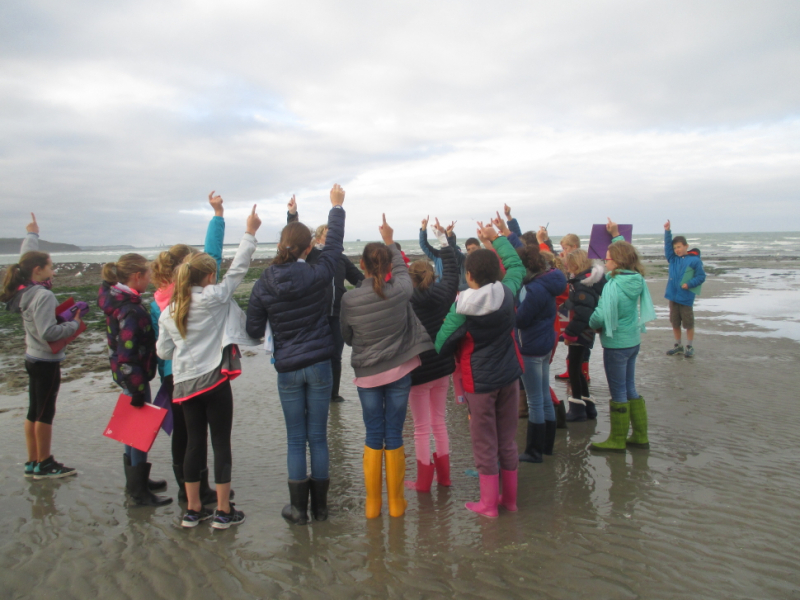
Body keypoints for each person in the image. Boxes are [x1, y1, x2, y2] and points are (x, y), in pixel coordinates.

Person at [246, 185, 346, 525]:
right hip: (319, 363)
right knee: (317, 437)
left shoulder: (264, 282)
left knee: (295, 439)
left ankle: (299, 510)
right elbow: (333, 249)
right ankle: (320, 509)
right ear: (307, 248)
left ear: (279, 246)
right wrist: (336, 208)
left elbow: (253, 329)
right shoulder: (317, 274)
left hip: (288, 367)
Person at [157, 204, 261, 529]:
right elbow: (239, 269)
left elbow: (163, 352)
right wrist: (250, 232)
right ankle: (223, 512)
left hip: (184, 385)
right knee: (220, 444)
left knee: (193, 445)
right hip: (215, 382)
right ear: (209, 275)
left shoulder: (169, 311)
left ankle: (192, 510)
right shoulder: (214, 297)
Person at [340, 214, 433, 519]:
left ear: (363, 266)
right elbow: (404, 271)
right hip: (400, 371)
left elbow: (347, 337)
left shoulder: (350, 299)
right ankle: (395, 505)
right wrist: (391, 241)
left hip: (367, 375)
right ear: (388, 267)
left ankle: (372, 505)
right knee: (393, 433)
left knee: (372, 433)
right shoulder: (400, 291)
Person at [435, 221, 525, 518]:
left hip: (480, 382)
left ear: (468, 275)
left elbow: (442, 343)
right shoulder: (507, 292)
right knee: (507, 439)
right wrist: (496, 237)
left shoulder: (460, 309)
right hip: (509, 376)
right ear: (497, 274)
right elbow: (517, 266)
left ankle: (488, 504)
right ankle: (509, 500)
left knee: (485, 442)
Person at [149, 192, 227, 505]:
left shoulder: (159, 298)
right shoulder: (191, 295)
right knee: (207, 436)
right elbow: (214, 256)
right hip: (203, 371)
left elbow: (160, 347)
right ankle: (201, 490)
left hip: (172, 374)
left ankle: (187, 490)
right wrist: (218, 216)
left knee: (184, 434)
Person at [1, 214, 79, 480]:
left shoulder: (24, 288)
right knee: (45, 412)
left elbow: (26, 258)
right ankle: (45, 464)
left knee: (33, 409)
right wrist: (74, 325)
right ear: (38, 270)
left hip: (31, 356)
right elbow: (49, 332)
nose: (54, 271)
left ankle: (32, 461)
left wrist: (32, 234)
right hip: (46, 360)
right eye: (50, 267)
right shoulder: (43, 295)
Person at [98, 253, 171, 506]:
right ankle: (138, 491)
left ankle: (136, 481)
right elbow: (126, 353)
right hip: (134, 378)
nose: (151, 279)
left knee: (131, 432)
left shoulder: (120, 301)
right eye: (148, 274)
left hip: (129, 376)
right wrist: (138, 388)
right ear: (137, 276)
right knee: (138, 433)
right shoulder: (129, 308)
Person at [287, 195, 364, 402]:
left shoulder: (340, 258)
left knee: (335, 356)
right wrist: (292, 215)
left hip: (337, 314)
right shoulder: (310, 256)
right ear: (319, 237)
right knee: (313, 354)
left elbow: (359, 279)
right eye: (328, 235)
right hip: (315, 313)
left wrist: (370, 292)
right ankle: (313, 391)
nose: (332, 239)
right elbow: (294, 242)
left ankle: (333, 394)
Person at [588, 221, 656, 452]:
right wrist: (615, 236)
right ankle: (640, 435)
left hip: (616, 345)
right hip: (632, 340)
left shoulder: (614, 285)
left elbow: (600, 315)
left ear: (616, 262)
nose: (605, 262)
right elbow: (624, 251)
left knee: (618, 391)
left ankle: (617, 439)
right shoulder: (635, 279)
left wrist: (590, 323)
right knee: (629, 388)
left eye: (607, 259)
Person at [405, 222, 459, 492]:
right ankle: (445, 477)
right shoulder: (444, 292)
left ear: (410, 278)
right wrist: (444, 239)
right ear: (430, 275)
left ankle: (424, 482)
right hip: (443, 367)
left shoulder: (406, 300)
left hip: (418, 370)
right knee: (439, 421)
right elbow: (451, 270)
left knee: (421, 427)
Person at [515, 244, 567, 463]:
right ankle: (546, 447)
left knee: (536, 399)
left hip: (531, 347)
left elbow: (521, 319)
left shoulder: (534, 288)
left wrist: (509, 311)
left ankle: (534, 450)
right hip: (544, 343)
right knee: (543, 396)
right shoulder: (548, 282)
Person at [561, 249, 605, 421]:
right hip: (586, 331)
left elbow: (583, 312)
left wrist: (570, 333)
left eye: (569, 265)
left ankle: (577, 407)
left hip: (581, 332)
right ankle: (587, 405)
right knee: (577, 368)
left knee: (574, 368)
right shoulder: (586, 281)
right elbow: (580, 304)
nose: (567, 267)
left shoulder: (582, 284)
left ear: (576, 265)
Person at [664, 220, 706, 358]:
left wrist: (689, 284)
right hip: (673, 296)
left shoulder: (694, 260)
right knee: (675, 322)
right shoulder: (673, 259)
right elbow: (667, 248)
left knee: (688, 323)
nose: (677, 250)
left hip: (686, 297)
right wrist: (667, 231)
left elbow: (701, 276)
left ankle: (689, 346)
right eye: (675, 247)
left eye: (680, 247)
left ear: (686, 246)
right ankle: (678, 346)